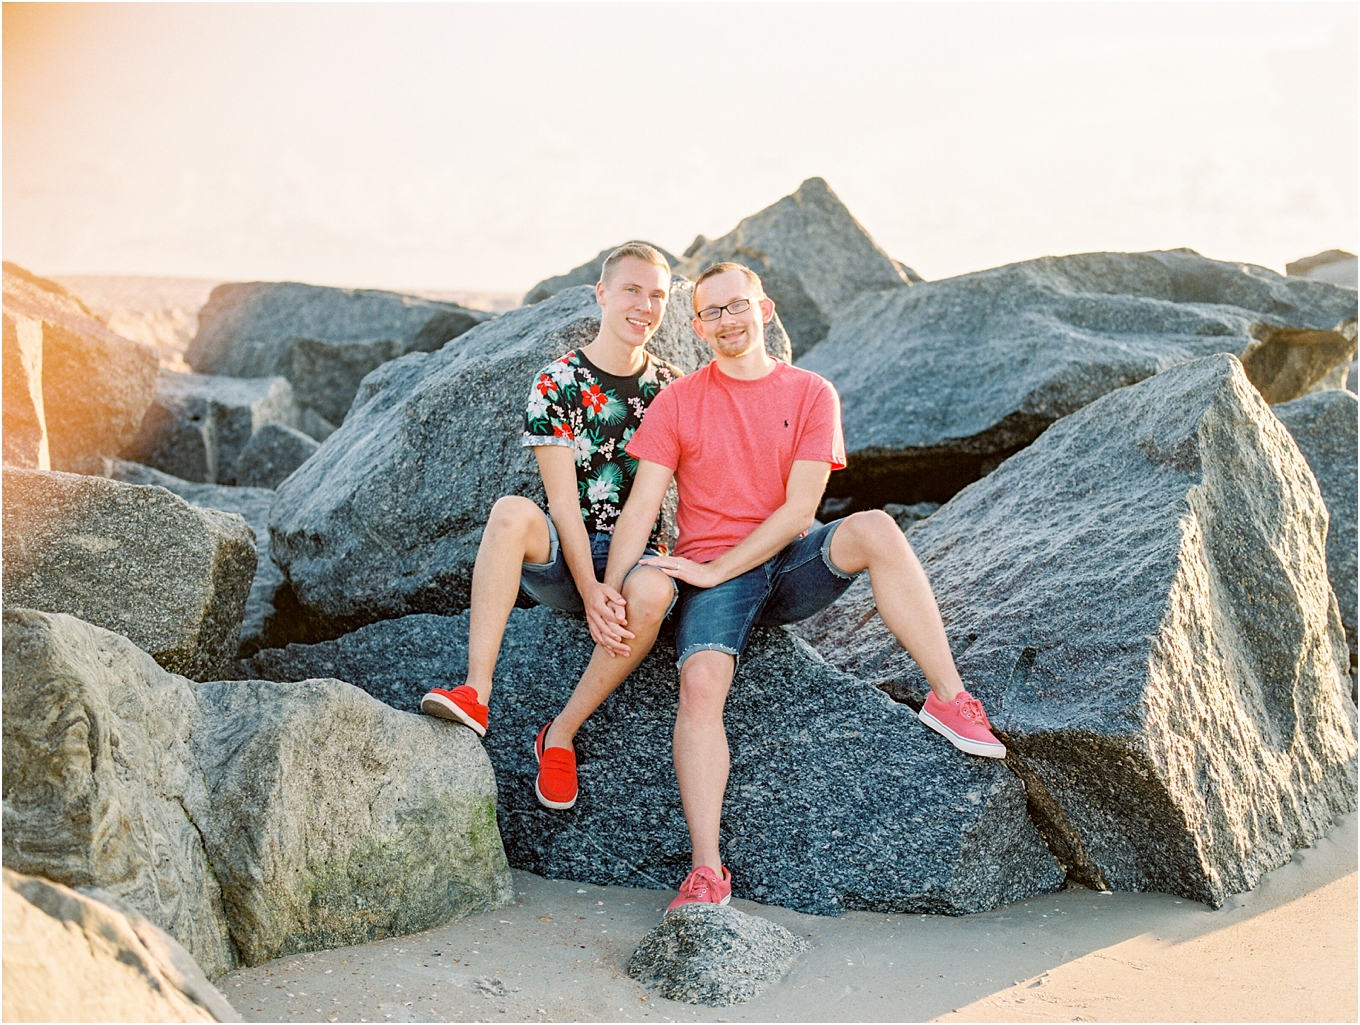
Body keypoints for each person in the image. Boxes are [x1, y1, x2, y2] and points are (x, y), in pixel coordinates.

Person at [601, 261, 1006, 911]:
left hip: (788, 564)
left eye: (738, 306)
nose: (727, 321)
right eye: (711, 313)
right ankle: (707, 870)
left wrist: (714, 567)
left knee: (875, 526)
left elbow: (797, 512)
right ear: (699, 327)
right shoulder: (679, 401)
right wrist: (612, 589)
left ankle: (950, 697)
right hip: (712, 577)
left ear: (764, 309)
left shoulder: (813, 393)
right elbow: (642, 506)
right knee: (702, 681)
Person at [420, 243, 682, 812]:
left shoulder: (671, 389)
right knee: (512, 511)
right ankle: (476, 691)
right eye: (633, 290)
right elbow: (562, 503)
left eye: (657, 295)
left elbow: (651, 500)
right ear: (603, 294)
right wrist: (589, 589)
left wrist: (614, 587)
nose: (645, 305)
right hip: (568, 551)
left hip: (638, 557)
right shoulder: (557, 381)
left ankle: (559, 734)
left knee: (656, 589)